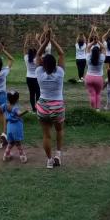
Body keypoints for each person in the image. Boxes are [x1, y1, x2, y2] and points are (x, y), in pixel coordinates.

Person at [35, 29, 66, 169]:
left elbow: (38, 54)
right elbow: (61, 53)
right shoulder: (60, 72)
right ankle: (58, 154)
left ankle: (49, 161)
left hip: (43, 106)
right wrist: (52, 39)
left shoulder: (39, 72)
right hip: (57, 106)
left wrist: (46, 40)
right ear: (55, 65)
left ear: (43, 65)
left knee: (46, 135)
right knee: (59, 130)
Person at [0, 90, 29, 163]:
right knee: (18, 143)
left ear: (7, 99)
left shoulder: (4, 105)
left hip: (9, 126)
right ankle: (22, 156)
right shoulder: (15, 108)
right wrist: (26, 111)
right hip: (16, 127)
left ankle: (6, 155)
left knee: (11, 142)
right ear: (17, 99)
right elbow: (19, 114)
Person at [85, 33, 106, 111]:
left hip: (89, 77)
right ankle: (97, 109)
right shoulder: (101, 58)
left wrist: (93, 42)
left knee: (92, 94)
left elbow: (87, 47)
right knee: (98, 94)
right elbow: (104, 48)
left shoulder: (88, 58)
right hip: (98, 78)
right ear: (99, 52)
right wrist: (98, 41)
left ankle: (92, 109)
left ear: (92, 52)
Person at [24, 34, 40, 113]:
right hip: (36, 78)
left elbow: (24, 49)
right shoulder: (37, 58)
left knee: (31, 93)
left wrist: (26, 40)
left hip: (29, 78)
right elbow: (41, 49)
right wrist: (37, 40)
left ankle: (34, 109)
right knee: (38, 93)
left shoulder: (26, 58)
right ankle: (38, 108)